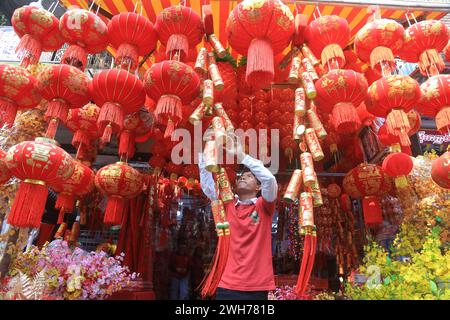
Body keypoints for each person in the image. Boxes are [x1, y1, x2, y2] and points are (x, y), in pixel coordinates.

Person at [198, 138, 278, 300]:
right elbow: (208, 186)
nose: (242, 177)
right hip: (227, 283)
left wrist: (242, 157)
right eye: (241, 176)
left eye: (249, 176)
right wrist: (208, 152)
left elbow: (269, 180)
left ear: (258, 187)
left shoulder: (264, 207)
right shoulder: (228, 205)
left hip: (257, 286)